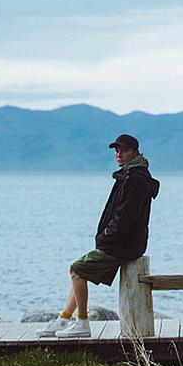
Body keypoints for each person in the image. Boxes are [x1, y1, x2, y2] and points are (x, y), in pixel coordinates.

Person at [37, 134, 160, 338]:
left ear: (135, 151)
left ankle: (82, 323)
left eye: (123, 150)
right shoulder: (128, 175)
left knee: (77, 270)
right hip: (124, 243)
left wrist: (106, 237)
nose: (118, 154)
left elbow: (125, 217)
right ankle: (63, 319)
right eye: (116, 150)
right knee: (81, 273)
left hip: (123, 244)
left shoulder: (136, 179)